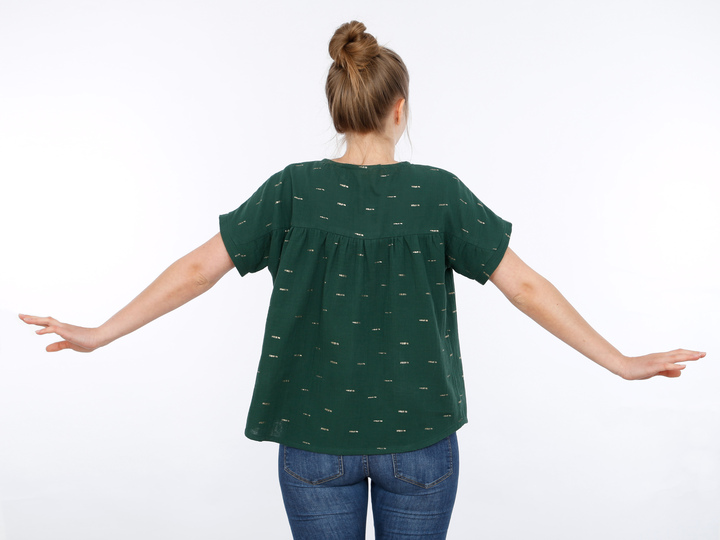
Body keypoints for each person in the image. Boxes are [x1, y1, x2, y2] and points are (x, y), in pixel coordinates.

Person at [20, 21, 704, 540]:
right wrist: (620, 361)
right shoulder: (439, 194)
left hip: (314, 441)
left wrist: (100, 333)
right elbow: (524, 287)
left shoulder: (292, 190)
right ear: (399, 108)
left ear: (339, 109)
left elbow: (200, 269)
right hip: (420, 439)